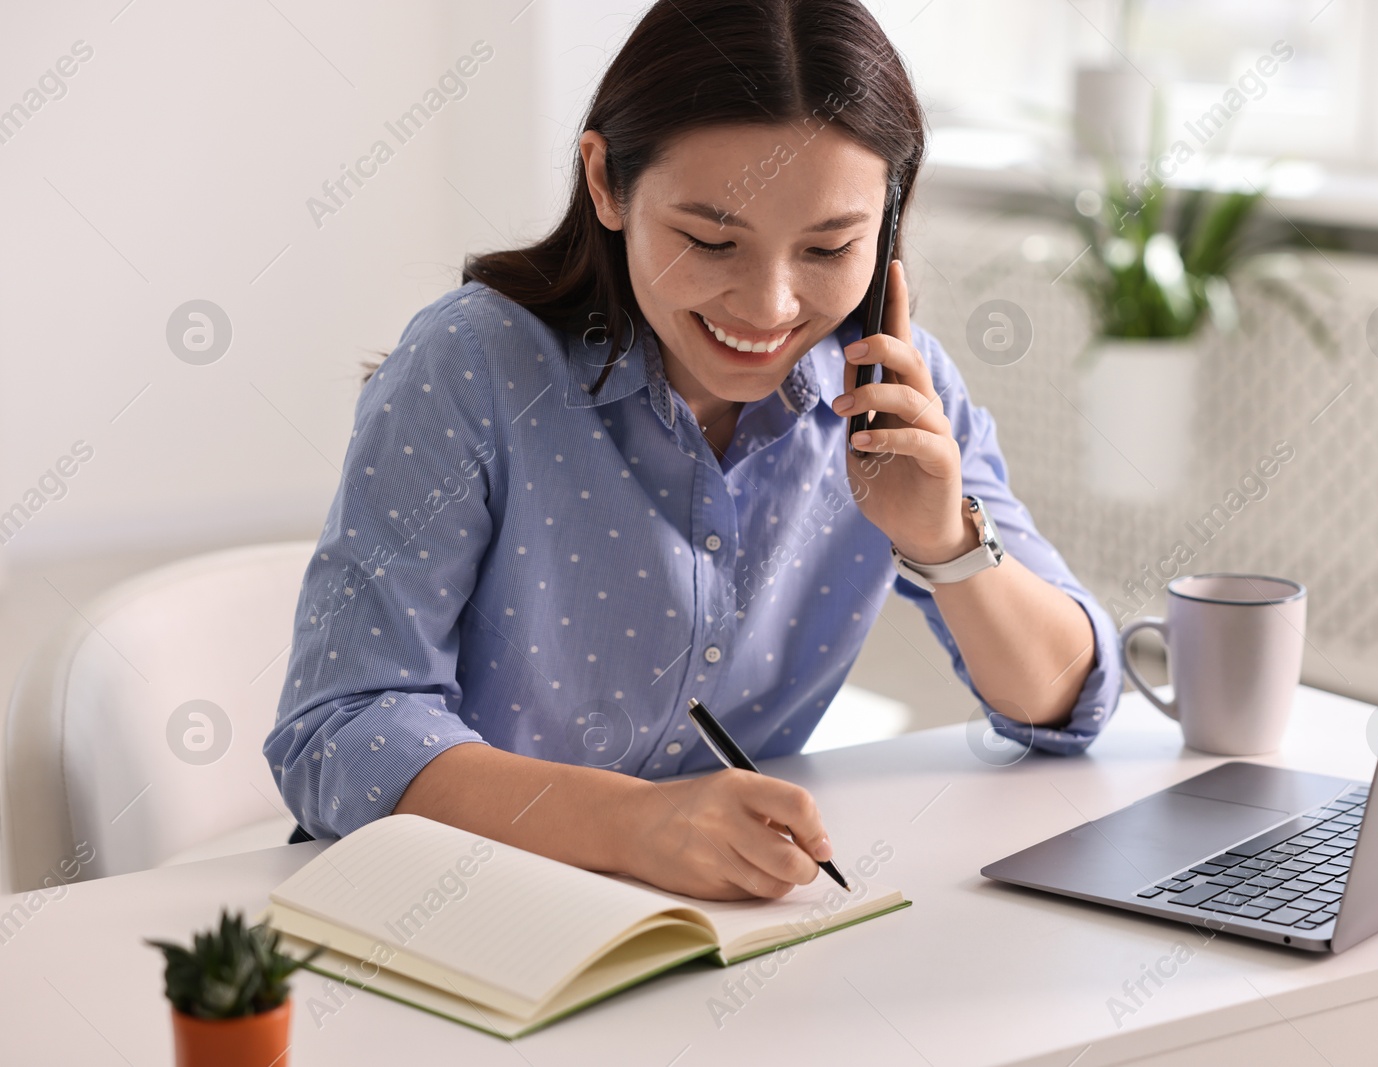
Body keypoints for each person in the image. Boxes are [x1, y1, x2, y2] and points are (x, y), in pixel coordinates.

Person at [264, 0, 1123, 902]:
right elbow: (341, 731)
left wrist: (947, 544)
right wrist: (638, 823)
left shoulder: (898, 392)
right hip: (453, 909)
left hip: (709, 928)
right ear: (605, 182)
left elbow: (1068, 701)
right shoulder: (470, 366)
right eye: (711, 240)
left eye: (830, 246)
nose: (770, 305)